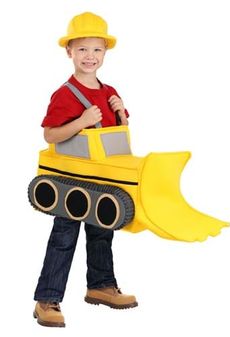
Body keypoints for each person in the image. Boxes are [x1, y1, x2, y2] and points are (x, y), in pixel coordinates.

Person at [33, 12, 138, 328]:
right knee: (64, 236)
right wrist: (80, 122)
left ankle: (101, 285)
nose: (89, 57)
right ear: (69, 52)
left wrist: (121, 114)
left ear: (105, 52)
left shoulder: (109, 92)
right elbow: (50, 134)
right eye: (82, 50)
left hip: (102, 177)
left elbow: (116, 134)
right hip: (72, 178)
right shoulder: (65, 94)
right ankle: (47, 300)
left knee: (102, 232)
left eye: (96, 50)